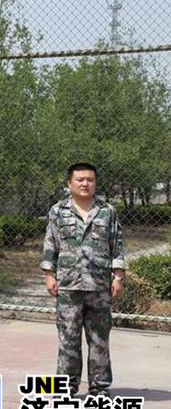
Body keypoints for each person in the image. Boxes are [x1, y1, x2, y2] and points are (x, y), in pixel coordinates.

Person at [41, 162, 126, 397]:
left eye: (90, 179)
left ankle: (99, 387)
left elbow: (117, 246)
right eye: (80, 179)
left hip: (99, 286)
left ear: (95, 183)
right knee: (68, 338)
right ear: (69, 183)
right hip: (68, 285)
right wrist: (49, 274)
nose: (85, 183)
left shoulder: (107, 211)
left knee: (99, 339)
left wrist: (118, 276)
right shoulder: (58, 211)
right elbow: (50, 243)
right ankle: (65, 387)